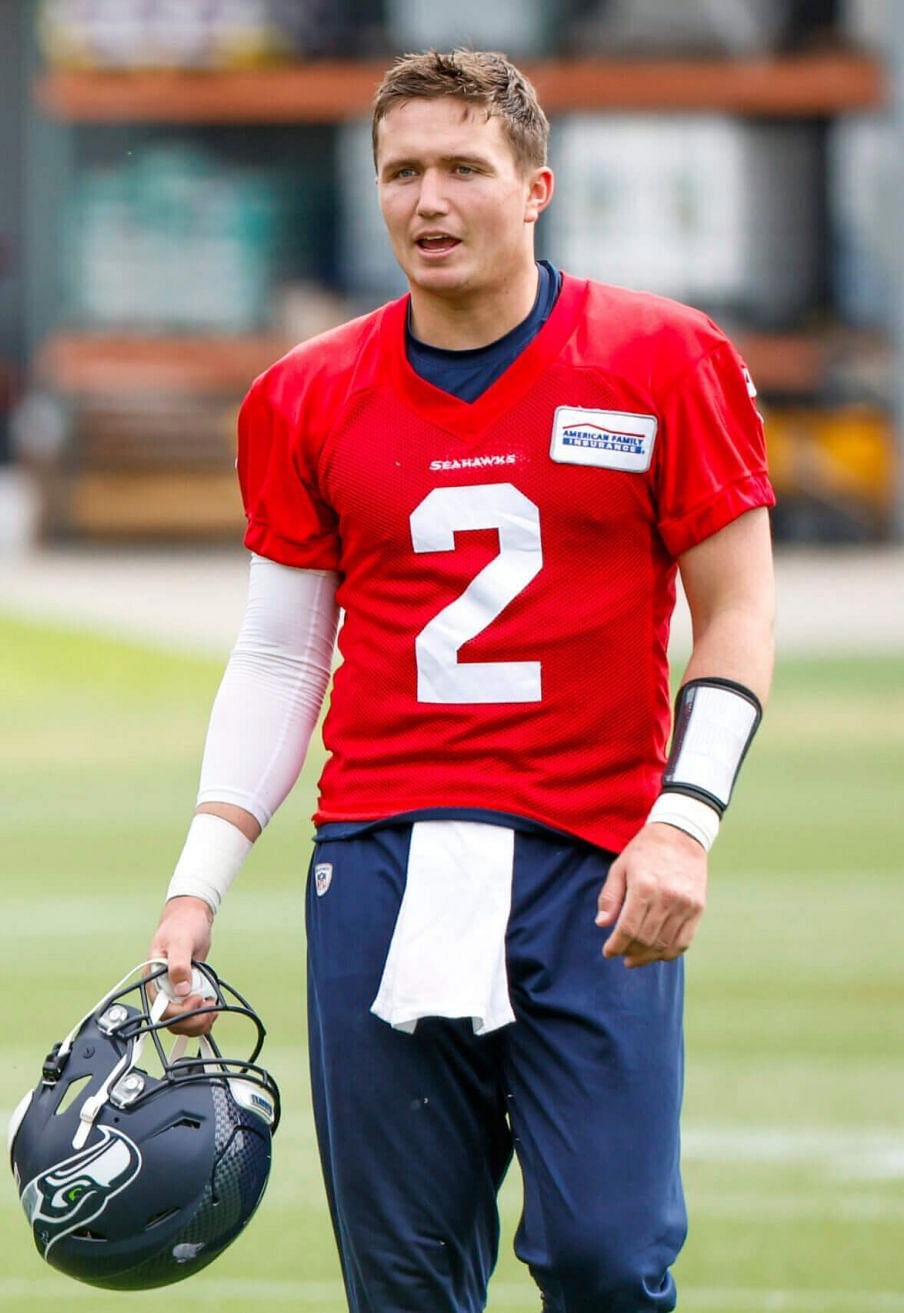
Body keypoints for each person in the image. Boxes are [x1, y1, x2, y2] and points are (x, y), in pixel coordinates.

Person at [147, 50, 775, 1312]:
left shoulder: (662, 358)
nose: (429, 201)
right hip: (382, 857)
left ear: (536, 186)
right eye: (402, 173)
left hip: (592, 858)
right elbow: (280, 652)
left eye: (462, 170)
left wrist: (685, 821)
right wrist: (196, 880)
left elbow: (739, 612)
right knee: (406, 1281)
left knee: (609, 1254)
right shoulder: (304, 394)